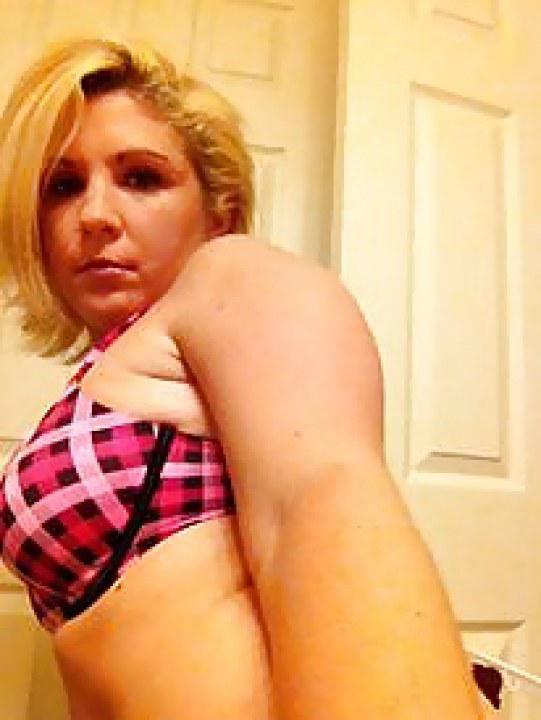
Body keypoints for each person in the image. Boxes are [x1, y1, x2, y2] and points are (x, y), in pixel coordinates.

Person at [0, 38, 491, 719]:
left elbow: (318, 503)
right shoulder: (114, 363)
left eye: (141, 178)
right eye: (63, 186)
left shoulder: (231, 277)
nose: (96, 216)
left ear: (219, 211)